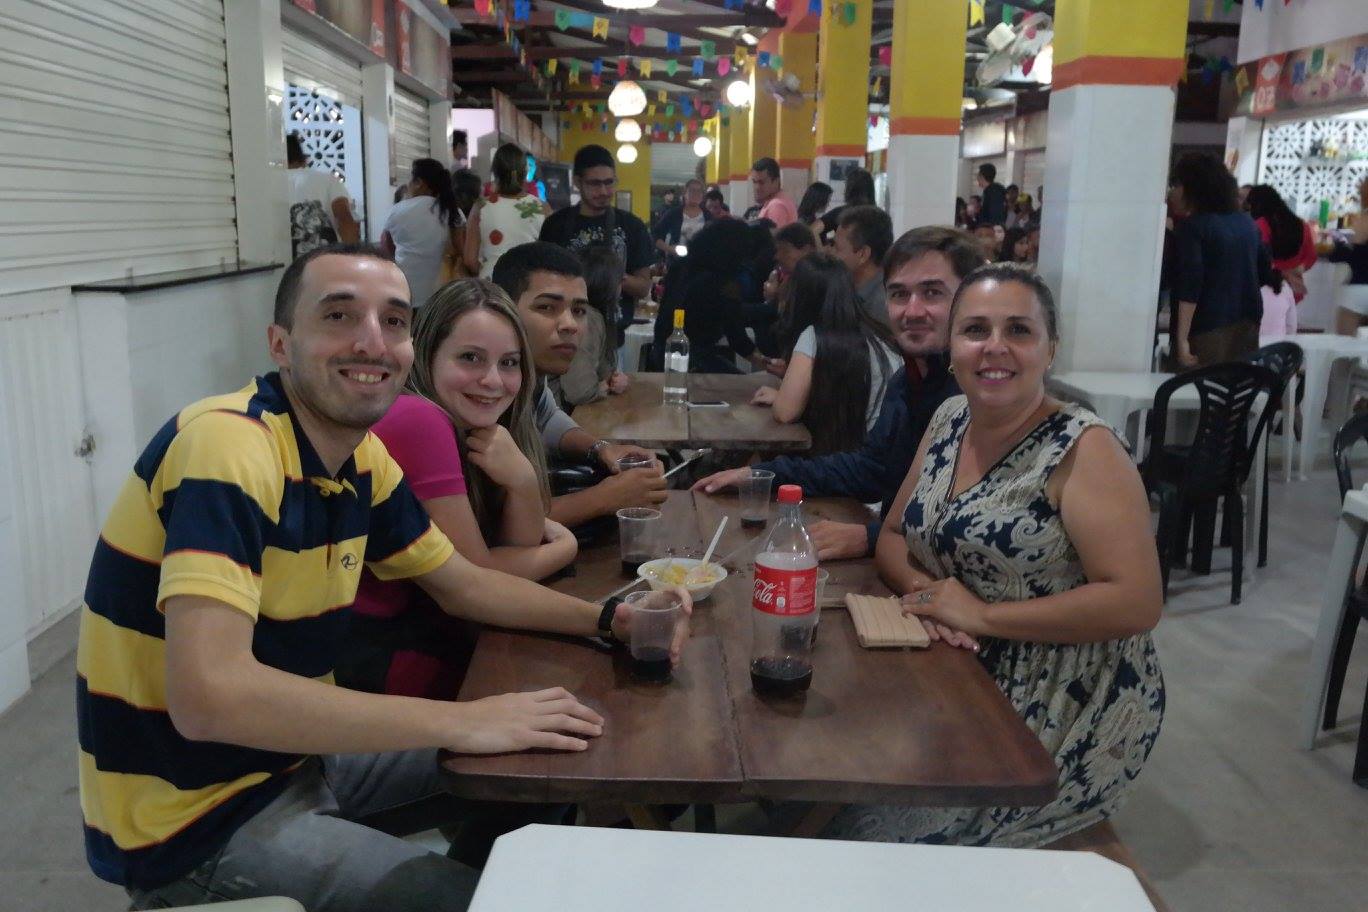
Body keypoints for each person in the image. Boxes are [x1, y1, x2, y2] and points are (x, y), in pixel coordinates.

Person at [76, 243, 691, 911]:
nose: (372, 342)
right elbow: (209, 700)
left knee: (555, 753)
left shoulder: (361, 458)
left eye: (393, 320)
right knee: (499, 890)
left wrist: (610, 617)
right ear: (280, 344)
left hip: (295, 760)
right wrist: (463, 722)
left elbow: (465, 583)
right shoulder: (227, 445)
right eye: (339, 315)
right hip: (195, 820)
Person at [824, 263, 1164, 847]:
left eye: (1019, 331)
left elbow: (1136, 602)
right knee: (826, 757)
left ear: (1050, 349)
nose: (994, 347)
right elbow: (893, 536)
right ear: (952, 347)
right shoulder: (951, 418)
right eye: (976, 329)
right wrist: (931, 597)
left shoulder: (1085, 449)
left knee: (878, 838)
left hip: (1061, 696)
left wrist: (982, 616)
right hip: (952, 661)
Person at [334, 278, 581, 701]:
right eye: (470, 358)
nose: (493, 380)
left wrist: (522, 482)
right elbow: (480, 579)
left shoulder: (472, 429)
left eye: (509, 363)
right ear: (426, 354)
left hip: (433, 649)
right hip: (386, 678)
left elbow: (515, 549)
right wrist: (565, 547)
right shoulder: (418, 419)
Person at [695, 226, 988, 560]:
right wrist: (762, 475)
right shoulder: (906, 382)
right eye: (899, 294)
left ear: (971, 300)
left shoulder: (979, 394)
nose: (912, 310)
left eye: (932, 293)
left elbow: (980, 524)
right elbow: (871, 469)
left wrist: (870, 538)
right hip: (896, 564)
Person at [491, 242, 666, 527]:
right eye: (547, 307)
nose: (570, 324)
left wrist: (602, 448)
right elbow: (491, 527)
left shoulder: (531, 375)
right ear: (502, 310)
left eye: (579, 310)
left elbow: (548, 417)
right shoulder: (481, 392)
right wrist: (604, 498)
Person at [754, 252, 898, 454]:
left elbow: (785, 413)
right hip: (883, 452)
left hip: (850, 460)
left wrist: (781, 398)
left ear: (801, 296)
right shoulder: (879, 334)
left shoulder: (814, 337)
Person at [1167, 152, 1272, 367]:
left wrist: (1182, 339)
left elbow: (1190, 285)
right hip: (1248, 322)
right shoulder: (1247, 224)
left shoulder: (1193, 228)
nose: (1171, 192)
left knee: (1197, 386)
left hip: (1207, 328)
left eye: (1176, 185)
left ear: (1193, 188)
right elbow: (1264, 271)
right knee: (1237, 383)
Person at [539, 144, 654, 339]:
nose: (604, 191)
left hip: (614, 335)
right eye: (594, 183)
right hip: (564, 331)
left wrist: (611, 276)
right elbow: (542, 282)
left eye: (609, 182)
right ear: (577, 182)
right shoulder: (555, 225)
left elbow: (643, 288)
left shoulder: (632, 226)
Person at [654, 218, 768, 374]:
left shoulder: (680, 266)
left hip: (663, 354)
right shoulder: (723, 283)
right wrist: (767, 364)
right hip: (695, 361)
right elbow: (737, 338)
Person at [555, 246, 631, 407]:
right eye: (619, 280)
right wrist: (604, 387)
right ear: (607, 284)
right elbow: (579, 392)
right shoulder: (587, 319)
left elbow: (603, 371)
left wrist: (614, 380)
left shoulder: (591, 315)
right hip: (556, 414)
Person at [381, 158, 461, 307]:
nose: (408, 185)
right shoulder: (452, 211)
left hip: (404, 291)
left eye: (410, 179)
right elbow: (460, 249)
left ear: (419, 183)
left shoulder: (398, 210)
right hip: (442, 293)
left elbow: (386, 248)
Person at [464, 143, 550, 279]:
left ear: (494, 172)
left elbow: (470, 261)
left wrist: (486, 268)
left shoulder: (481, 207)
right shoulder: (542, 208)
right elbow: (550, 257)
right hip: (529, 283)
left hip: (491, 283)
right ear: (525, 172)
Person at [286, 132, 360, 258]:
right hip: (325, 263)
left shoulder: (265, 185)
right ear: (304, 158)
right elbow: (344, 219)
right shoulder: (327, 180)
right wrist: (354, 257)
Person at [1245, 184, 1317, 302]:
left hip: (1268, 288)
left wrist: (1283, 273)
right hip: (1293, 290)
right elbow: (1311, 256)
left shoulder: (1260, 224)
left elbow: (1260, 260)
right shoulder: (1302, 225)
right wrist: (1297, 269)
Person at [832, 205, 894, 326]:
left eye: (837, 248)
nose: (830, 253)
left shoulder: (882, 307)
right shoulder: (850, 289)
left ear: (863, 254)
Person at [1327, 175, 1368, 335]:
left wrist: (1336, 242)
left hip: (1357, 290)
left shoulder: (1363, 220)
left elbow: (1348, 254)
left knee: (1345, 346)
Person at [652, 178, 709, 257]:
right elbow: (655, 234)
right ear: (685, 193)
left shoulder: (708, 216)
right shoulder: (674, 214)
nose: (696, 194)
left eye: (699, 191)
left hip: (703, 260)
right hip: (678, 261)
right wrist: (669, 249)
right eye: (692, 190)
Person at [818, 168, 876, 244]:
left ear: (849, 189)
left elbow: (813, 230)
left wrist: (823, 248)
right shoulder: (879, 217)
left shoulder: (841, 213)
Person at [749, 156, 798, 228]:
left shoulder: (776, 206)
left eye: (761, 182)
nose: (757, 187)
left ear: (776, 181)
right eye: (754, 182)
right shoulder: (777, 201)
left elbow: (774, 235)